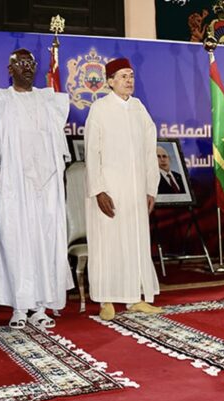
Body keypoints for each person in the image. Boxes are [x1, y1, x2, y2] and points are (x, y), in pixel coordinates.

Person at [0, 49, 72, 329]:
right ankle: (19, 307)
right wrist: (3, 190)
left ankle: (41, 306)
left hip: (47, 187)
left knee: (45, 242)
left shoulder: (48, 100)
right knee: (16, 243)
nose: (27, 68)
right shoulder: (0, 102)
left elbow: (60, 149)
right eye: (20, 64)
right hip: (14, 186)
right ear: (9, 70)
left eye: (31, 63)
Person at [84, 57, 162, 321]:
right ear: (110, 81)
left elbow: (149, 151)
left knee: (135, 242)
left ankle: (134, 298)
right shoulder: (100, 108)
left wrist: (150, 188)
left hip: (136, 190)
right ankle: (106, 299)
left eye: (131, 76)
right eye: (123, 76)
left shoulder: (139, 108)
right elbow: (92, 152)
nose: (129, 81)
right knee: (108, 244)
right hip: (109, 190)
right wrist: (98, 190)